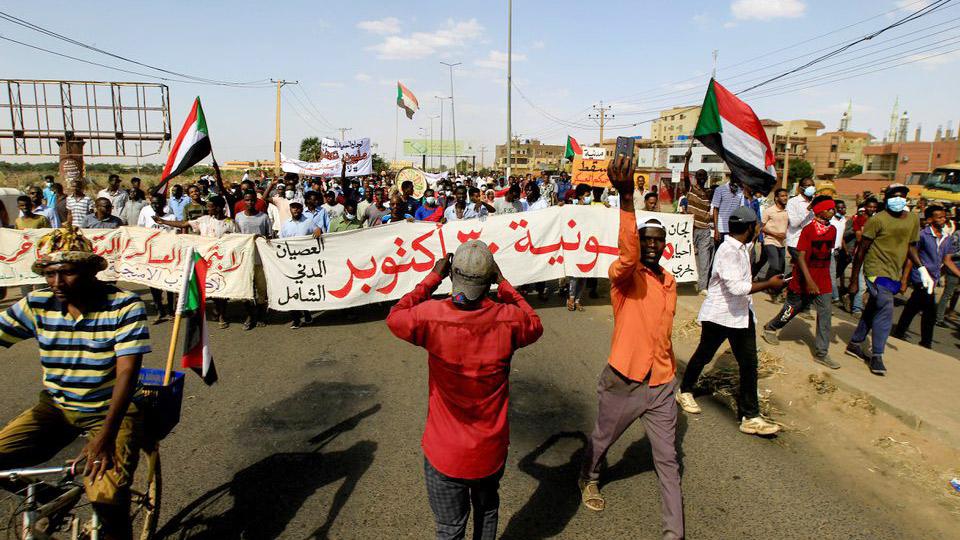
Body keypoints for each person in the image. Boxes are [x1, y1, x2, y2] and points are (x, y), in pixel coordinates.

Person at [0, 226, 151, 539]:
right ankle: (50, 500)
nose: (57, 283)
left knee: (108, 502)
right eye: (50, 274)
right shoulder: (36, 304)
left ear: (90, 270)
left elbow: (127, 371)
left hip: (111, 412)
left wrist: (106, 435)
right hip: (56, 407)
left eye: (67, 273)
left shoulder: (125, 306)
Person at [386, 241, 543, 540]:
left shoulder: (430, 316)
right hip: (489, 452)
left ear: (452, 276)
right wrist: (505, 283)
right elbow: (534, 322)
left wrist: (431, 278)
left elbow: (395, 315)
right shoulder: (509, 320)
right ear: (489, 281)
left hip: (443, 453)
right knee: (487, 513)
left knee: (449, 528)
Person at [577, 157, 684, 539]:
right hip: (624, 380)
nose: (651, 246)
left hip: (661, 385)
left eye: (657, 241)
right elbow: (626, 252)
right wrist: (626, 198)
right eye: (646, 241)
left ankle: (675, 533)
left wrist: (674, 380)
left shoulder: (669, 283)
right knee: (603, 440)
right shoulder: (624, 278)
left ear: (665, 246)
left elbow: (663, 335)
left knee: (669, 460)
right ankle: (588, 476)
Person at [677, 206, 786, 436]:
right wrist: (768, 285)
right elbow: (737, 288)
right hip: (720, 315)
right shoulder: (727, 251)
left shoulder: (742, 247)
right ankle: (684, 389)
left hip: (741, 315)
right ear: (748, 228)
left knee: (749, 364)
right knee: (704, 354)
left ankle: (750, 416)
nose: (758, 227)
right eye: (755, 225)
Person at [846, 184, 925, 375]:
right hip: (874, 269)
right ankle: (877, 355)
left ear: (906, 199)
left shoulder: (913, 220)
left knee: (875, 306)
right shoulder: (877, 220)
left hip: (893, 272)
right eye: (894, 197)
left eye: (902, 197)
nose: (898, 200)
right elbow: (862, 250)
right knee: (886, 307)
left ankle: (855, 343)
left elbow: (912, 247)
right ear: (886, 199)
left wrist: (921, 268)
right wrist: (854, 280)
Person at [762, 196, 840, 369]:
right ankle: (771, 327)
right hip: (804, 278)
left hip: (823, 279)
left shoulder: (832, 230)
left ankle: (821, 353)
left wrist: (827, 278)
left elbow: (827, 256)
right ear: (819, 211)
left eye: (833, 209)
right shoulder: (808, 230)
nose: (832, 212)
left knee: (825, 315)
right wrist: (810, 281)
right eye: (829, 209)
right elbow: (801, 257)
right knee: (791, 309)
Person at [152, 196, 239, 328]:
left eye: (210, 206)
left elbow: (238, 240)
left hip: (222, 261)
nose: (208, 209)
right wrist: (163, 221)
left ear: (219, 208)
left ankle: (222, 314)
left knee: (221, 288)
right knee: (205, 287)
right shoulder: (204, 220)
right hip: (204, 259)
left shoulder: (230, 223)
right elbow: (184, 224)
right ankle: (206, 311)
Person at [892, 205, 960, 348]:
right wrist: (904, 279)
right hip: (920, 276)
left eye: (944, 216)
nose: (943, 219)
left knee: (913, 306)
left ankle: (899, 331)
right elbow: (911, 257)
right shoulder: (922, 235)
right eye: (939, 217)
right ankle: (926, 342)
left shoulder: (947, 238)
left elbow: (947, 260)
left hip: (933, 278)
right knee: (929, 310)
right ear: (930, 219)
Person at [278, 201, 322, 329]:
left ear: (301, 209)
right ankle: (296, 319)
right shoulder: (286, 225)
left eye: (298, 208)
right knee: (292, 290)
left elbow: (317, 230)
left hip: (305, 263)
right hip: (290, 262)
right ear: (290, 210)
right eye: (293, 208)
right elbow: (280, 241)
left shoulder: (308, 222)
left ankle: (307, 314)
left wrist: (318, 229)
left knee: (305, 290)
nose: (295, 210)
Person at [234, 190, 272, 330]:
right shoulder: (238, 217)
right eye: (247, 200)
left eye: (252, 200)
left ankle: (262, 315)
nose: (249, 202)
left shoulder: (263, 217)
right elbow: (236, 237)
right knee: (246, 290)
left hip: (260, 260)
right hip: (245, 261)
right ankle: (250, 316)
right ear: (243, 201)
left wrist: (262, 239)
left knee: (262, 290)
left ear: (256, 201)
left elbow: (270, 237)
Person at [138, 193, 177, 323]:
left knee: (169, 284)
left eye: (158, 203)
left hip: (168, 255)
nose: (155, 205)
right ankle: (160, 311)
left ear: (164, 205)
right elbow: (141, 231)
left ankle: (171, 311)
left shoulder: (171, 217)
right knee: (153, 283)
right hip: (151, 254)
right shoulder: (145, 212)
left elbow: (175, 236)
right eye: (153, 203)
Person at [680, 153, 714, 295]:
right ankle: (678, 279)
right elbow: (686, 175)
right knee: (682, 255)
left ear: (706, 179)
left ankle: (702, 286)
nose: (700, 178)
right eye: (698, 176)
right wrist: (687, 159)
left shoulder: (710, 193)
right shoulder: (691, 189)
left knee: (704, 260)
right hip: (690, 229)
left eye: (703, 176)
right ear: (695, 178)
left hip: (704, 230)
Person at [565, 184, 595, 312]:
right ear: (581, 196)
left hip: (587, 246)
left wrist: (607, 210)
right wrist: (560, 208)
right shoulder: (572, 209)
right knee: (574, 275)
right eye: (588, 195)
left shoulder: (593, 210)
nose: (590, 198)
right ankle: (571, 298)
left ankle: (578, 300)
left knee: (584, 275)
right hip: (575, 245)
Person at [850, 197, 879, 313]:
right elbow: (859, 238)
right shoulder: (859, 219)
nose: (872, 209)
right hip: (861, 253)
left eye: (874, 207)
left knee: (873, 284)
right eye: (870, 206)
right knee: (861, 282)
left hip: (875, 255)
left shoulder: (878, 220)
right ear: (865, 207)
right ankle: (857, 308)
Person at [785, 177, 816, 271]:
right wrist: (808, 209)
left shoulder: (815, 201)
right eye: (808, 186)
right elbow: (794, 223)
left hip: (811, 242)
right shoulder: (793, 202)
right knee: (804, 270)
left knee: (802, 272)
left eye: (813, 185)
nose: (811, 188)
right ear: (801, 188)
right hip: (796, 242)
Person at [760, 188, 789, 281]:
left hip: (781, 243)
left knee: (781, 268)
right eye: (782, 196)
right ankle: (767, 285)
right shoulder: (769, 211)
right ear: (776, 198)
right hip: (770, 241)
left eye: (786, 196)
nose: (785, 198)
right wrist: (775, 234)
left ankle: (773, 286)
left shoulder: (788, 211)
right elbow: (761, 227)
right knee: (775, 265)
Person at [710, 175, 745, 245]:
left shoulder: (741, 192)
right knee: (719, 253)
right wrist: (716, 230)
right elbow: (715, 210)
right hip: (721, 229)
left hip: (734, 230)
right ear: (731, 178)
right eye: (735, 179)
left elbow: (741, 210)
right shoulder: (720, 190)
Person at [830, 199, 849, 302]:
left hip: (837, 251)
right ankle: (835, 296)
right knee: (832, 275)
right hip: (830, 251)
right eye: (840, 208)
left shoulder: (843, 220)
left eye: (844, 207)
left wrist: (845, 251)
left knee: (834, 273)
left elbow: (841, 238)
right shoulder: (830, 220)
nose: (842, 210)